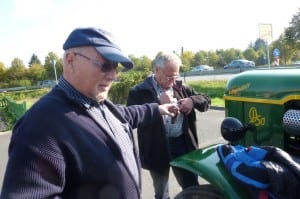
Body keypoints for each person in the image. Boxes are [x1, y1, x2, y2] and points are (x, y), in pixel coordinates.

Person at [0, 27, 179, 199]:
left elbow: (126, 115)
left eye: (115, 67)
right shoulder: (41, 125)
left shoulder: (98, 103)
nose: (112, 75)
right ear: (70, 61)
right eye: (105, 65)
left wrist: (158, 109)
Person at [126, 52, 211, 199]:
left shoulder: (182, 87)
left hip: (182, 144)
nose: (173, 80)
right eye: (169, 76)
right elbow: (130, 119)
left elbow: (206, 101)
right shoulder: (139, 91)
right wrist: (157, 103)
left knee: (191, 187)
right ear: (157, 70)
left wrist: (192, 100)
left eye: (176, 75)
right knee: (161, 192)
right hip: (157, 146)